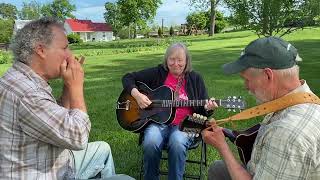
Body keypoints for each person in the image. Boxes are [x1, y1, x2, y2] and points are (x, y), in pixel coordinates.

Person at [0, 17, 133, 180]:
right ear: (41, 50)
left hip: (50, 162)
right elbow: (78, 137)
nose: (70, 55)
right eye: (65, 48)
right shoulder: (28, 94)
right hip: (43, 173)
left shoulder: (20, 78)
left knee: (102, 149)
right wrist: (76, 87)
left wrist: (68, 85)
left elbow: (55, 116)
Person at [202, 36, 320, 180]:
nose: (246, 86)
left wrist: (222, 146)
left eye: (247, 79)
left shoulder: (285, 133)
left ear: (268, 75)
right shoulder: (302, 101)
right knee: (218, 169)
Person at [122, 42, 217, 180]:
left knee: (177, 142)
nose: (175, 63)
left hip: (188, 122)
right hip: (157, 121)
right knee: (150, 142)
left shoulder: (195, 78)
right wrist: (137, 95)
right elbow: (128, 77)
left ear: (186, 61)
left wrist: (208, 108)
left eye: (180, 60)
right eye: (172, 59)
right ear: (166, 59)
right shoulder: (158, 73)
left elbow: (204, 109)